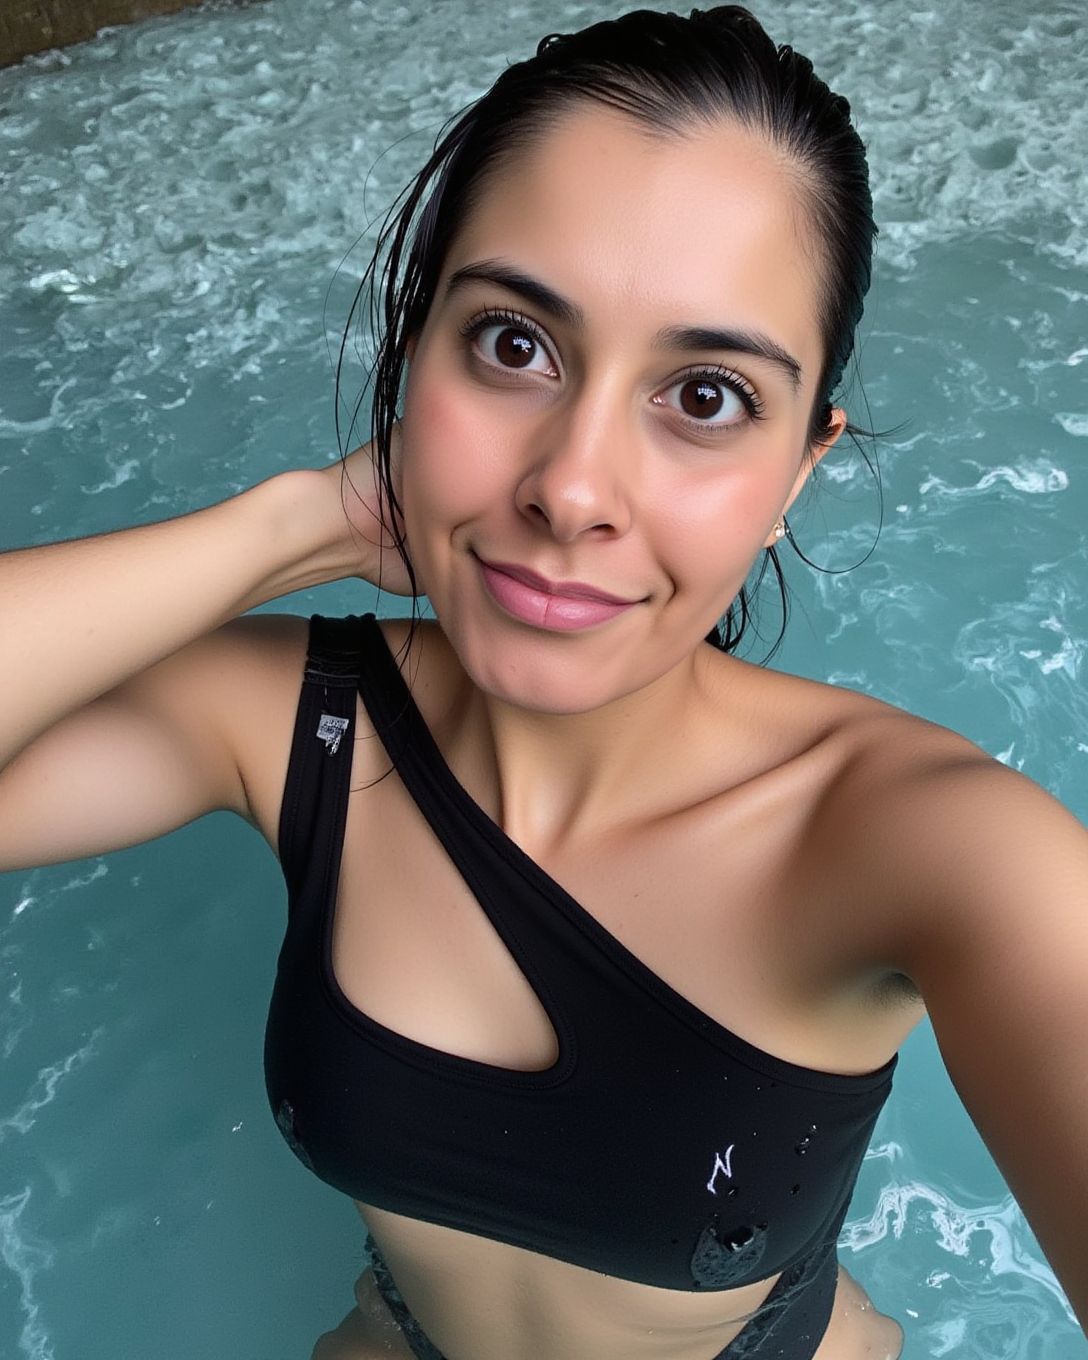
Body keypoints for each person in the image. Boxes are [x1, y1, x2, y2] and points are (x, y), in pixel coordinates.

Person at [1, 6, 1085, 1358]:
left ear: (797, 471)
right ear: (413, 360)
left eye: (706, 396)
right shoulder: (298, 727)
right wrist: (291, 526)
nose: (572, 488)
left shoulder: (916, 841)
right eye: (513, 345)